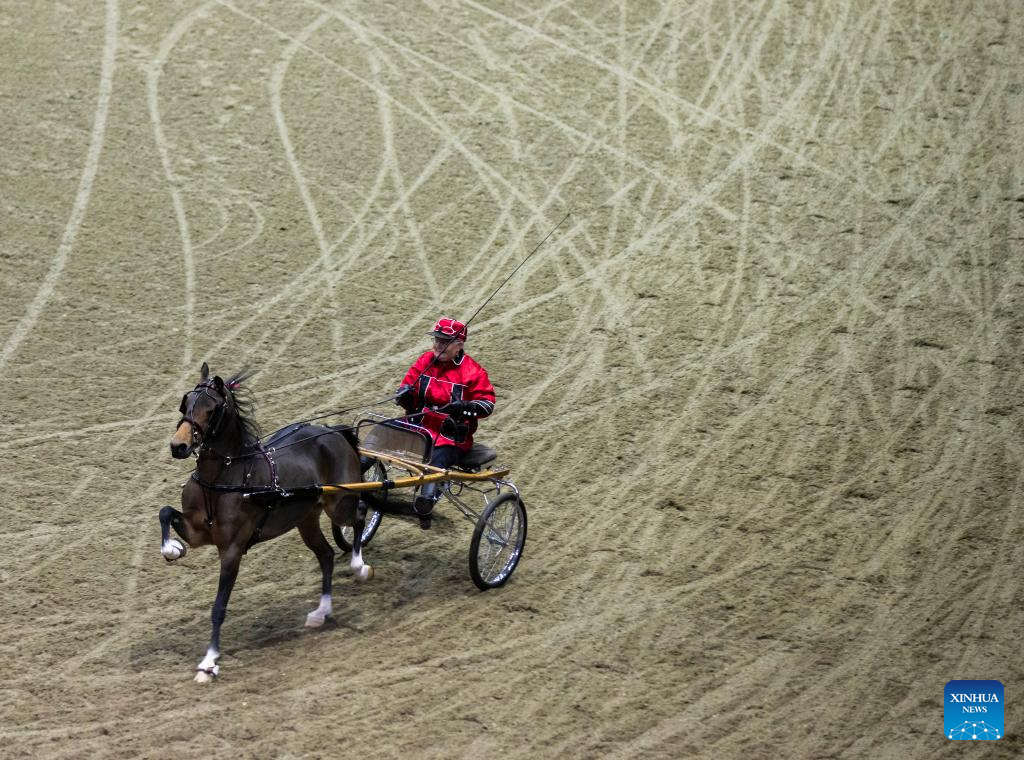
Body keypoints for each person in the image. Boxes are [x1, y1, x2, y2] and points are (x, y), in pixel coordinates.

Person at [395, 317, 495, 529]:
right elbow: (408, 385)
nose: (438, 346)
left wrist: (463, 407)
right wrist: (404, 395)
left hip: (449, 437)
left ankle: (426, 503)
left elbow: (487, 405)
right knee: (381, 433)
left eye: (444, 342)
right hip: (416, 428)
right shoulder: (425, 361)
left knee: (437, 459)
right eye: (437, 340)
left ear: (459, 345)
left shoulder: (473, 372)